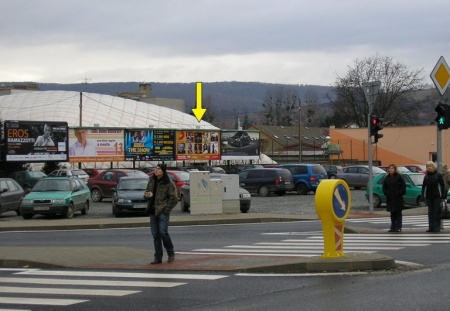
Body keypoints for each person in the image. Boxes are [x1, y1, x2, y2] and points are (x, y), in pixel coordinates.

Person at [144, 163, 178, 264]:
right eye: (156, 168)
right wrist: (146, 196)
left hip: (163, 211)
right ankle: (158, 257)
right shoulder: (151, 180)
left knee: (163, 233)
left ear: (163, 171)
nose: (156, 170)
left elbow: (174, 198)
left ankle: (171, 253)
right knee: (155, 235)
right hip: (153, 211)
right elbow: (147, 193)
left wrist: (166, 209)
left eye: (158, 169)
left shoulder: (168, 183)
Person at [422, 161, 446, 233]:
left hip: (437, 196)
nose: (429, 167)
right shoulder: (426, 176)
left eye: (430, 166)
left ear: (433, 167)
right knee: (430, 212)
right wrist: (423, 195)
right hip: (429, 196)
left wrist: (443, 195)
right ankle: (431, 227)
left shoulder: (438, 175)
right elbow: (424, 186)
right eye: (428, 166)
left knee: (436, 212)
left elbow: (442, 185)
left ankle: (436, 227)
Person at [382, 164, 406, 232]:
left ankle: (398, 227)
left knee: (398, 213)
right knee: (392, 213)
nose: (390, 169)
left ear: (395, 169)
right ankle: (393, 227)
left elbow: (403, 186)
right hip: (390, 198)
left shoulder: (399, 177)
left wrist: (399, 193)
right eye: (389, 168)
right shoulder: (387, 178)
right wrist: (386, 193)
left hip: (398, 198)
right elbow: (384, 187)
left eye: (392, 168)